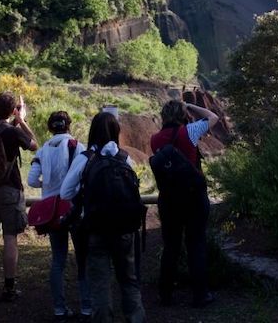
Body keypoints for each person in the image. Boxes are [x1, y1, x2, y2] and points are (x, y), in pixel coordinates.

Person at [60, 112, 146, 323]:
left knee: (100, 284)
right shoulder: (125, 158)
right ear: (116, 132)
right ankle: (136, 319)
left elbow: (65, 193)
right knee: (129, 280)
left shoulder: (86, 158)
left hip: (96, 229)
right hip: (125, 229)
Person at [150, 99, 219, 308]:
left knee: (171, 247)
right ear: (182, 115)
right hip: (193, 197)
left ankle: (166, 294)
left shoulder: (155, 139)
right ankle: (200, 295)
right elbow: (213, 117)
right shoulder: (189, 131)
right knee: (196, 244)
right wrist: (190, 106)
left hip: (169, 199)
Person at [27, 111, 92, 321]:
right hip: (74, 209)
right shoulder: (76, 146)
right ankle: (86, 307)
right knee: (83, 259)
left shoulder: (44, 149)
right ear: (68, 125)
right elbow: (85, 175)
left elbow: (31, 180)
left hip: (52, 213)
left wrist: (46, 186)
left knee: (58, 260)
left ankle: (59, 308)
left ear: (49, 127)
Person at [0, 92, 38, 302]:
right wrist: (21, 120)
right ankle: (9, 288)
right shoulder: (14, 131)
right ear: (13, 110)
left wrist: (14, 117)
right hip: (10, 189)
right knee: (10, 237)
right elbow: (33, 144)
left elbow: (0, 130)